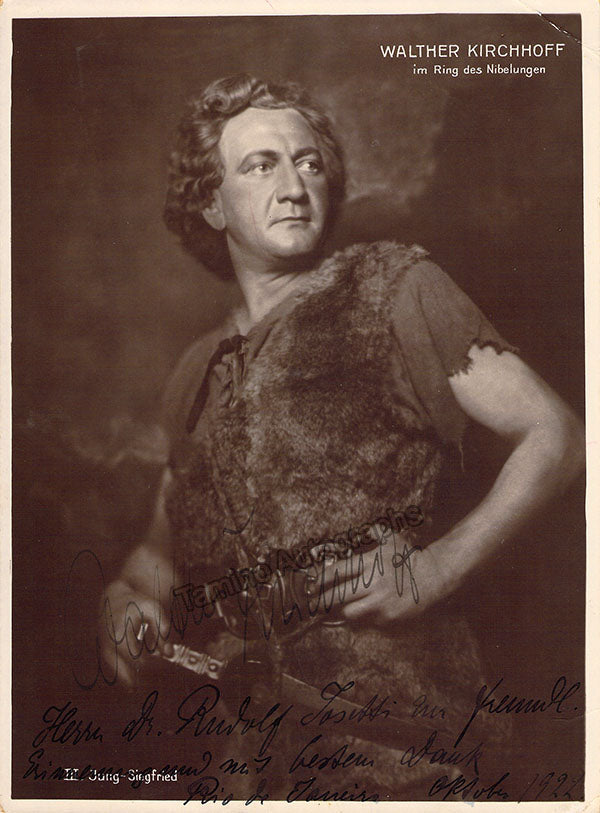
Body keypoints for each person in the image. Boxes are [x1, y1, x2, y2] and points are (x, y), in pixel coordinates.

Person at [99, 74, 585, 800]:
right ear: (212, 203)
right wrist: (125, 595)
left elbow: (558, 434)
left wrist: (438, 567)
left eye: (309, 163)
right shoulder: (193, 372)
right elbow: (157, 553)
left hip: (403, 742)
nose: (294, 187)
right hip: (247, 760)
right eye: (261, 165)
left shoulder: (393, 287)